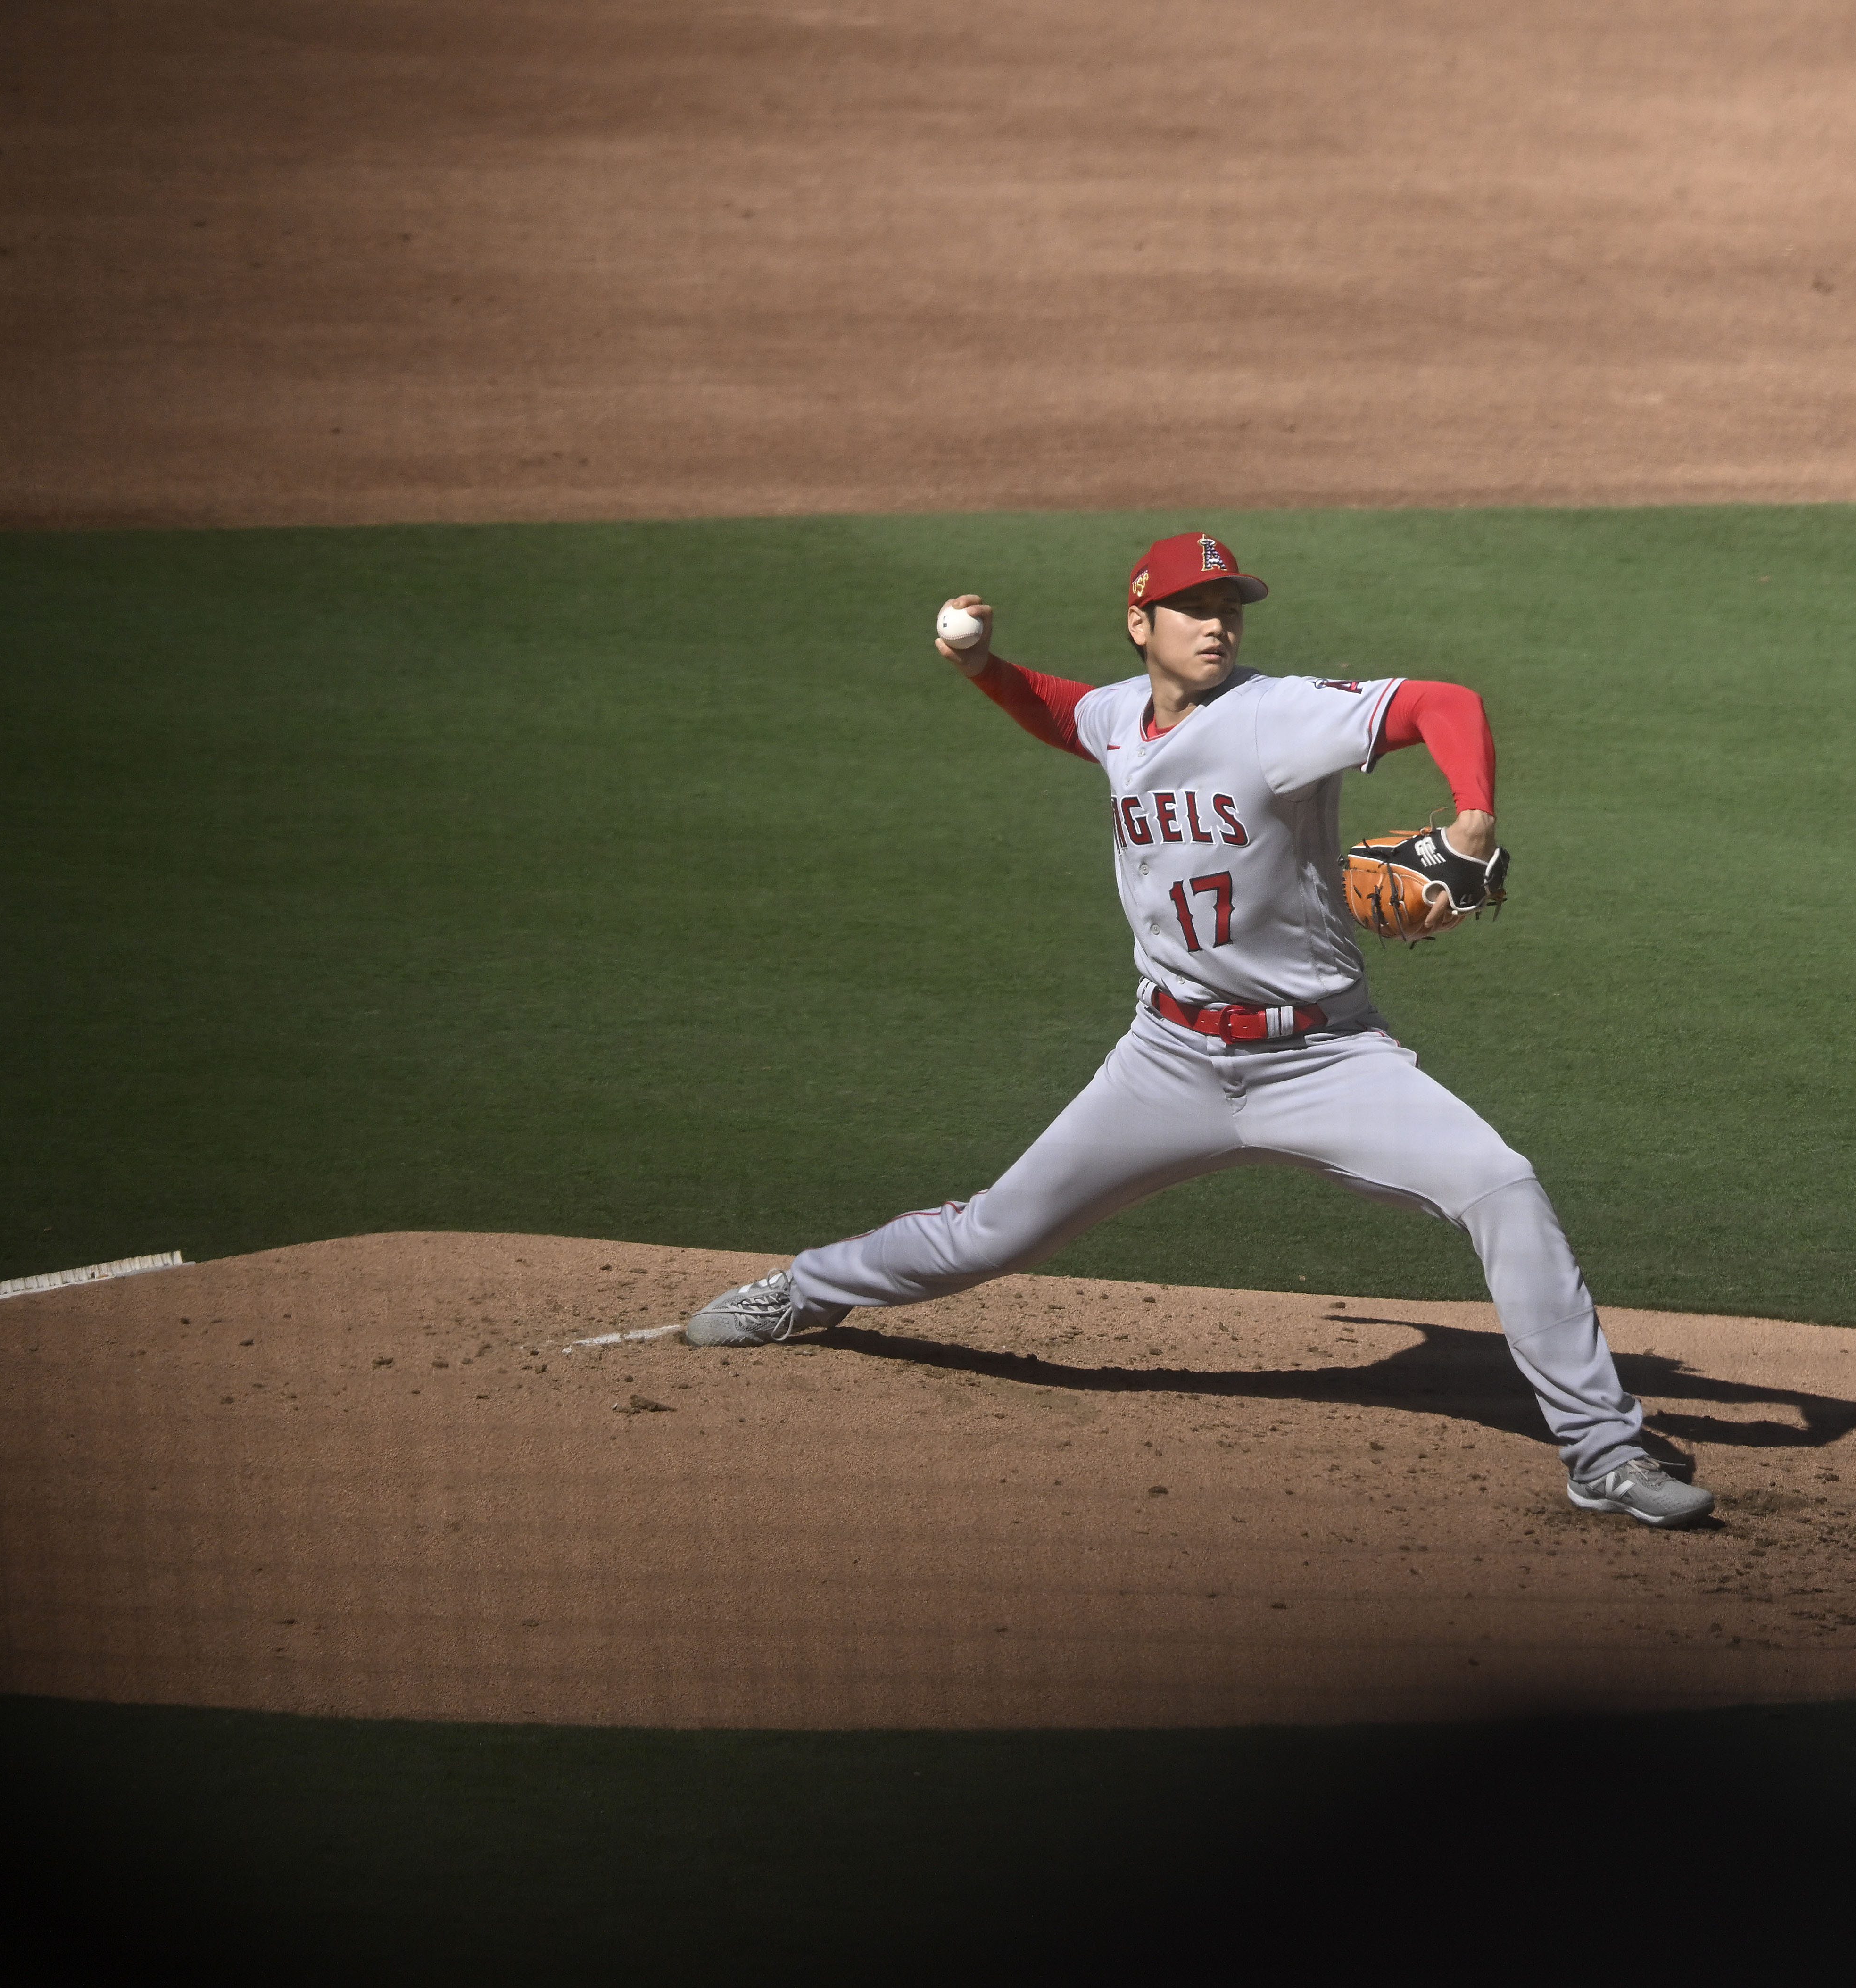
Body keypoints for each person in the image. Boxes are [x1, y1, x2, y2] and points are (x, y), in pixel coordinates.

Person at [682, 532, 1712, 1528]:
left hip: (1322, 1056)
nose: (1218, 625)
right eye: (1195, 609)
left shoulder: (1279, 716)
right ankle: (802, 1289)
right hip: (1167, 1059)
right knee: (993, 1232)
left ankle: (1603, 1451)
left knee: (1504, 1188)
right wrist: (984, 665)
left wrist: (1472, 812)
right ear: (1142, 621)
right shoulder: (1123, 715)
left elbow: (1446, 701)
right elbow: (1066, 713)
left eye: (1230, 608)